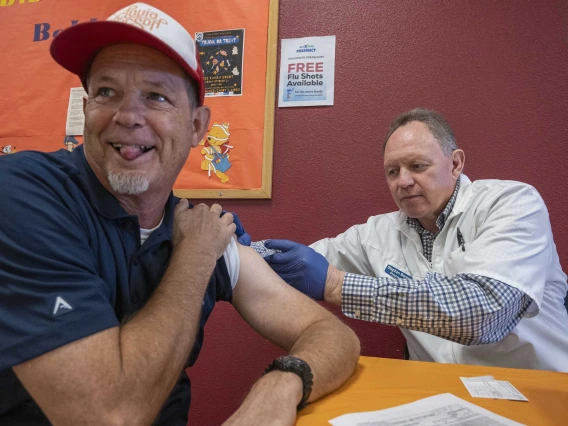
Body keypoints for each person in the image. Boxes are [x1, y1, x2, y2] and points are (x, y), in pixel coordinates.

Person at [0, 4, 360, 425]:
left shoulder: (201, 228)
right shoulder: (24, 193)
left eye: (156, 96)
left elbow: (333, 336)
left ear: (196, 126)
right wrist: (194, 257)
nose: (128, 116)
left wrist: (281, 383)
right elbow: (107, 416)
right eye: (106, 92)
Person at [259, 107, 568, 372]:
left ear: (455, 164)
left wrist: (337, 286)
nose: (403, 182)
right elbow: (300, 261)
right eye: (392, 172)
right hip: (440, 397)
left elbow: (484, 313)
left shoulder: (512, 203)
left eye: (417, 166)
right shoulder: (378, 233)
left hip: (534, 389)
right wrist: (239, 249)